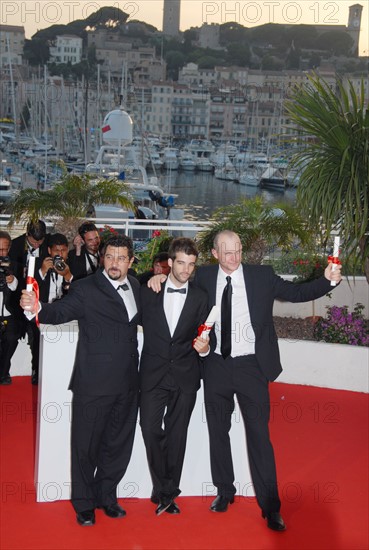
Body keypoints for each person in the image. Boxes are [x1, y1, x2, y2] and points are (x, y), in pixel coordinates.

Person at [148, 229, 342, 531]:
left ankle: (271, 506)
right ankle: (225, 491)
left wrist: (328, 279)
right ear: (214, 254)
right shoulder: (204, 276)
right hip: (215, 366)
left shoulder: (262, 276)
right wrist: (158, 278)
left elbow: (297, 293)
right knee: (218, 432)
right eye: (227, 252)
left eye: (237, 250)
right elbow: (177, 280)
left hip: (252, 366)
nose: (234, 257)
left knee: (259, 437)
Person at [20, 235, 140, 527]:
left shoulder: (135, 286)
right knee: (86, 448)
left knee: (118, 445)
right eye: (110, 256)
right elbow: (58, 312)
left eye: (121, 258)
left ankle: (107, 497)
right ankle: (84, 503)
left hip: (127, 383)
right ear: (102, 258)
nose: (115, 263)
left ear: (130, 261)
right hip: (93, 384)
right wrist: (34, 307)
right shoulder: (86, 287)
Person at [140, 238, 209, 515]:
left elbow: (207, 336)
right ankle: (163, 487)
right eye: (181, 263)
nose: (186, 270)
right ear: (169, 263)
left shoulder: (201, 297)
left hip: (185, 376)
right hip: (153, 375)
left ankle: (167, 493)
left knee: (177, 436)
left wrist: (205, 349)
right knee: (150, 430)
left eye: (191, 265)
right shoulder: (148, 290)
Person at [9, 219, 49, 384]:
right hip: (18, 297)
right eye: (34, 241)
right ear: (27, 235)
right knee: (14, 334)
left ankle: (36, 372)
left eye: (41, 241)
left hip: (40, 298)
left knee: (38, 337)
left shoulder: (48, 245)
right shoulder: (16, 245)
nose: (38, 244)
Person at [0, 231, 22, 385]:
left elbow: (18, 289)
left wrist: (11, 279)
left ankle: (3, 371)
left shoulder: (15, 265)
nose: (2, 253)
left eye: (5, 249)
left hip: (10, 313)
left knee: (12, 339)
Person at [35, 233, 73, 302]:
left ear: (67, 250)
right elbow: (30, 288)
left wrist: (68, 275)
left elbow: (79, 290)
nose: (60, 254)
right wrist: (42, 271)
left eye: (63, 250)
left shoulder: (73, 264)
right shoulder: (38, 263)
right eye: (56, 251)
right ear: (49, 250)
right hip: (43, 308)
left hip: (64, 308)